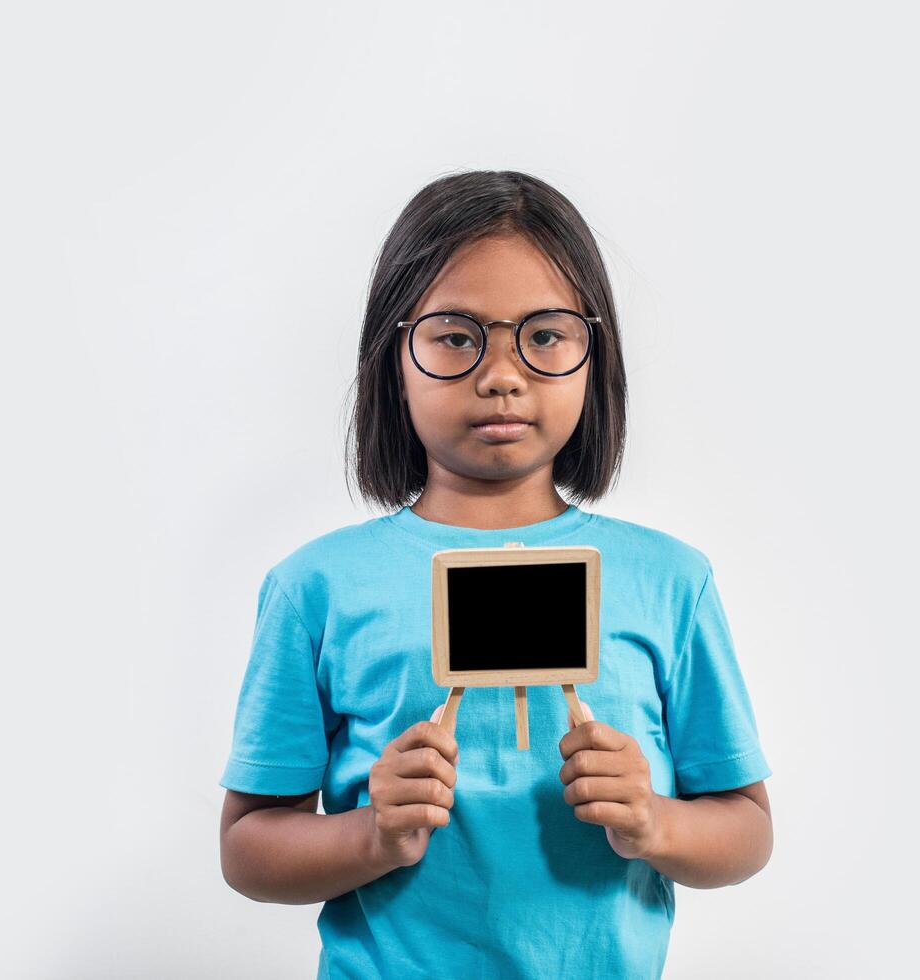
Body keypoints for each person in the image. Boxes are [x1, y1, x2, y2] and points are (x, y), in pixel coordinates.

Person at [218, 170, 774, 979]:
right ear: (392, 356)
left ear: (595, 353)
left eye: (544, 335)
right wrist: (372, 834)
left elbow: (747, 832)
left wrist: (653, 821)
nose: (502, 373)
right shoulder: (316, 587)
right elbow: (247, 847)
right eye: (455, 335)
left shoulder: (669, 580)